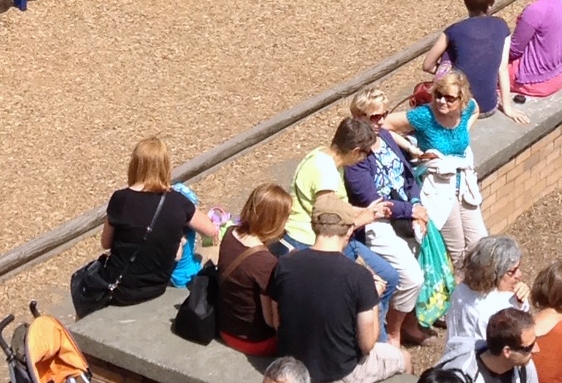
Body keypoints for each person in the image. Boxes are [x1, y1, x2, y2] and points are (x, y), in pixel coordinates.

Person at [270, 198, 405, 383]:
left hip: (293, 366)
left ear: (313, 226)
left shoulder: (284, 264)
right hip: (339, 372)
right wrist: (373, 295)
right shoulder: (359, 276)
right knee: (403, 357)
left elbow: (275, 321)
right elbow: (367, 345)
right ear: (350, 230)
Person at [92, 135, 198, 308]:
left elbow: (105, 243)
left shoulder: (120, 199)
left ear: (135, 165)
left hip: (121, 289)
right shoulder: (179, 202)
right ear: (165, 166)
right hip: (157, 286)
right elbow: (209, 230)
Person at [398, 71, 489, 265]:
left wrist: (464, 131)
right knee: (458, 252)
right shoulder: (424, 116)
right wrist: (412, 148)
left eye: (449, 98)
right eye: (438, 95)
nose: (441, 102)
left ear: (461, 99)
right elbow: (385, 126)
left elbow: (476, 110)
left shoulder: (467, 109)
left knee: (480, 242)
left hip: (463, 183)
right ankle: (463, 290)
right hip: (439, 188)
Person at [424, 0, 523, 120]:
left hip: (459, 110)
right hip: (488, 107)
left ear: (466, 4)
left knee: (449, 52)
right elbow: (502, 69)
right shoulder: (502, 26)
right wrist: (507, 107)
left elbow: (427, 65)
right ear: (490, 5)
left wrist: (446, 71)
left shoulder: (453, 30)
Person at [215, 182, 293, 359]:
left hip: (225, 327)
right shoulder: (265, 263)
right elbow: (271, 321)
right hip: (254, 342)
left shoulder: (230, 233)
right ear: (274, 221)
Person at [438, 236, 524, 376]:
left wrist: (518, 301)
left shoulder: (461, 290)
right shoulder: (490, 312)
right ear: (492, 273)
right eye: (511, 271)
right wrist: (517, 305)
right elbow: (516, 337)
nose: (519, 275)